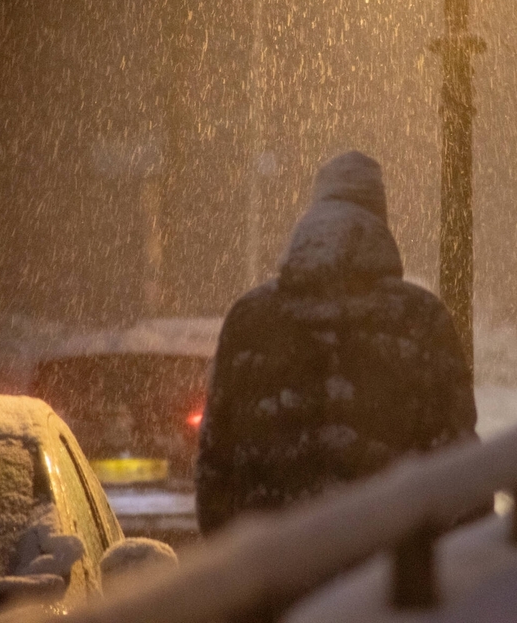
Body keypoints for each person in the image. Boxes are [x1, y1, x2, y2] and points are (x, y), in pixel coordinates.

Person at [196, 151, 477, 535]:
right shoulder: (420, 320)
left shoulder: (251, 320)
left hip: (277, 572)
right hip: (389, 572)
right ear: (381, 217)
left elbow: (216, 466)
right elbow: (458, 465)